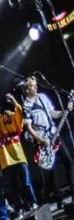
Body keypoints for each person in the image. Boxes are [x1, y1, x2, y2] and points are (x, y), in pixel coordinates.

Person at [21, 76, 74, 208]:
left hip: (54, 134)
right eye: (32, 86)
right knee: (51, 171)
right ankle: (59, 199)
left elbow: (52, 113)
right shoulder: (26, 105)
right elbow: (28, 127)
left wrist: (64, 111)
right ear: (27, 90)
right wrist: (40, 140)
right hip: (43, 141)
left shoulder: (43, 97)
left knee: (68, 161)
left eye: (35, 85)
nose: (36, 87)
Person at [0, 95, 38, 214]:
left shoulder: (7, 117)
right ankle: (19, 208)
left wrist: (14, 101)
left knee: (26, 183)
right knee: (13, 187)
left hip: (17, 156)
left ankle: (33, 202)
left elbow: (19, 114)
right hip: (4, 161)